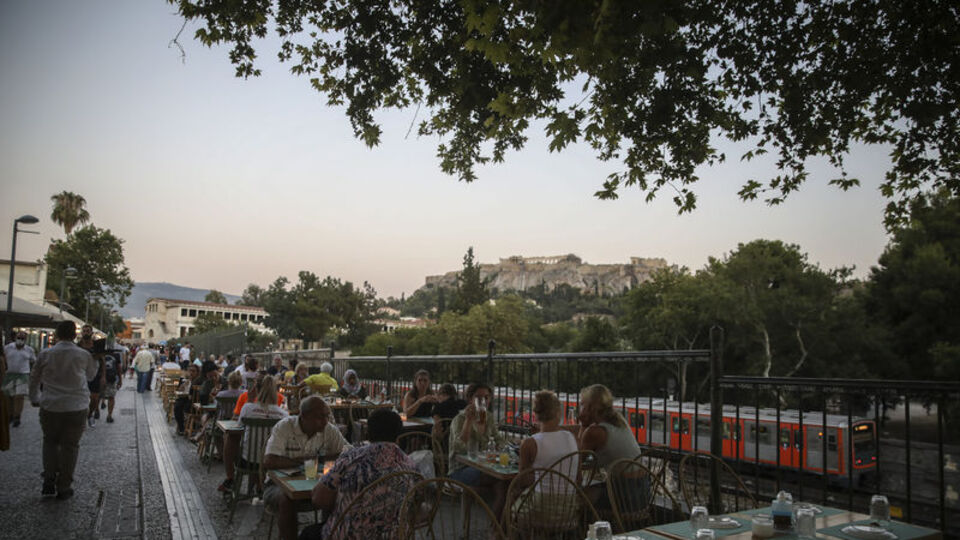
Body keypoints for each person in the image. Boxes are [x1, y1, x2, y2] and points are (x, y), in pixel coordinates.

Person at [300, 408, 418, 540]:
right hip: (394, 536)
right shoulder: (411, 465)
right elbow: (419, 507)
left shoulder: (351, 458)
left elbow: (319, 499)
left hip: (350, 536)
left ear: (367, 432)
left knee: (309, 533)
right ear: (398, 435)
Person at [262, 396, 352, 540]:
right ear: (304, 416)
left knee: (337, 494)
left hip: (313, 486)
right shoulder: (285, 427)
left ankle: (326, 534)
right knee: (286, 499)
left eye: (326, 416)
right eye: (320, 417)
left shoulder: (327, 429)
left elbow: (348, 453)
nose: (325, 421)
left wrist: (320, 459)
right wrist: (303, 461)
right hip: (276, 486)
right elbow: (269, 461)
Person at [29, 321, 99, 499]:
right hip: (76, 406)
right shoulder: (83, 354)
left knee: (50, 442)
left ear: (57, 334)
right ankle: (64, 486)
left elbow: (34, 378)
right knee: (70, 446)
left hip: (50, 405)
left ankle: (49, 479)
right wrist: (96, 360)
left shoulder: (45, 354)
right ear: (75, 335)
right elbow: (91, 376)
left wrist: (34, 398)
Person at [512, 390, 580, 522]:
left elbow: (521, 481)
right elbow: (578, 479)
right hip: (568, 512)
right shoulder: (573, 438)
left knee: (512, 497)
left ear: (535, 415)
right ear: (559, 413)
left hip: (539, 511)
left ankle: (501, 531)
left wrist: (541, 476)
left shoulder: (530, 443)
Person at [448, 382, 508, 516]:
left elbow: (499, 440)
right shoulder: (460, 419)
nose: (483, 401)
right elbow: (458, 448)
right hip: (460, 468)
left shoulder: (489, 417)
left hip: (485, 466)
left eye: (486, 397)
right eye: (478, 397)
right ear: (470, 399)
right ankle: (497, 526)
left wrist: (503, 446)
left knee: (503, 486)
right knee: (502, 480)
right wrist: (469, 421)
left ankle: (496, 526)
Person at [2, 330, 36, 427]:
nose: (20, 340)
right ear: (15, 338)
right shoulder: (8, 348)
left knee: (19, 396)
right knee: (8, 397)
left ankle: (17, 416)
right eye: (19, 338)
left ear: (26, 339)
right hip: (9, 374)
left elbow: (34, 361)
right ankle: (10, 415)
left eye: (22, 338)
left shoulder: (29, 350)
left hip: (22, 375)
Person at [77, 326, 106, 427]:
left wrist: (103, 376)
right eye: (84, 331)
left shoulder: (96, 345)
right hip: (80, 374)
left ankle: (89, 414)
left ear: (91, 333)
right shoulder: (78, 346)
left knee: (94, 398)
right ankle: (81, 416)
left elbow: (103, 361)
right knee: (80, 397)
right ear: (81, 333)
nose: (86, 333)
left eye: (88, 331)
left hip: (95, 374)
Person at [173, 364, 202, 435]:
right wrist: (183, 385)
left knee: (179, 406)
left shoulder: (198, 381)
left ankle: (183, 427)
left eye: (193, 371)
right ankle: (181, 427)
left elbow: (194, 395)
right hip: (186, 399)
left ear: (197, 372)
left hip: (194, 403)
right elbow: (179, 390)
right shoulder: (186, 380)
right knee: (177, 406)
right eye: (190, 371)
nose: (191, 373)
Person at [100, 346, 123, 423]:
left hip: (102, 378)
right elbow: (119, 368)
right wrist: (120, 380)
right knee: (111, 397)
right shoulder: (116, 355)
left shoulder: (100, 354)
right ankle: (109, 415)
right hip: (110, 378)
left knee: (99, 396)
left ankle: (99, 409)